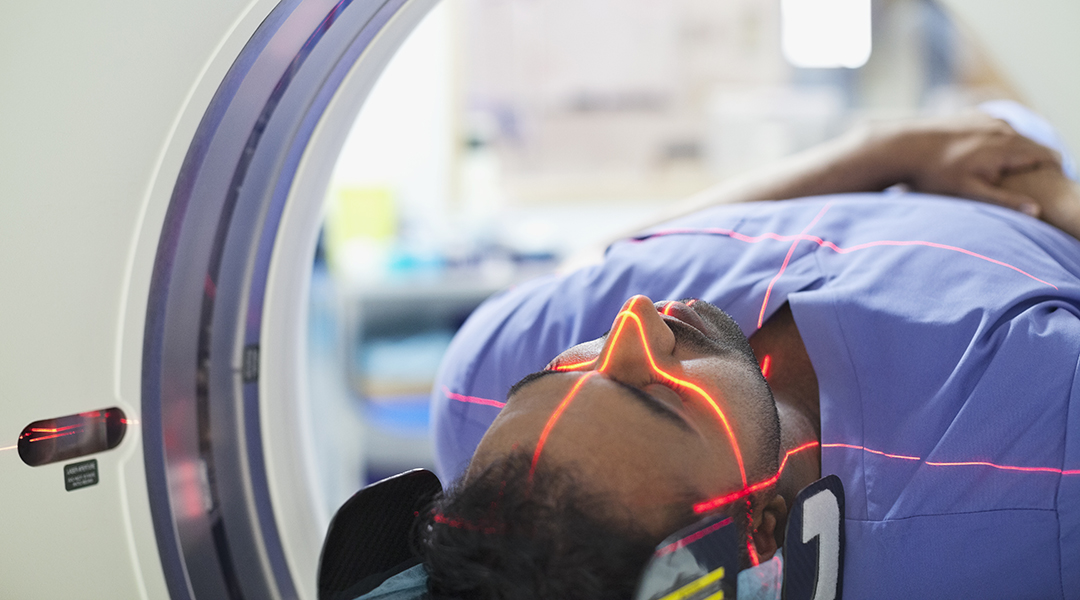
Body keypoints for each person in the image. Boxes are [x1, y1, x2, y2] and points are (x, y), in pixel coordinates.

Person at [419, 102, 1080, 599]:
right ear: (763, 529)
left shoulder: (479, 389)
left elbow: (609, 260)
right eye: (656, 394)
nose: (634, 320)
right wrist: (1055, 201)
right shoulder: (1035, 471)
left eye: (563, 368)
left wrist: (887, 152)